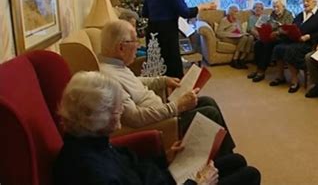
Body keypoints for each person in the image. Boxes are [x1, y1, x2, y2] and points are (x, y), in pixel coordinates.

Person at [53, 71, 261, 185]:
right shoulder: (93, 172)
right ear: (97, 117)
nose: (121, 113)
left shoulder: (90, 141)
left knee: (237, 160)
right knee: (250, 174)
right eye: (116, 110)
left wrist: (165, 158)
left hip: (161, 177)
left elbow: (132, 166)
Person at [99, 20, 235, 155]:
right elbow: (135, 118)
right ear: (121, 48)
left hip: (161, 111)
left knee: (207, 101)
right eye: (134, 41)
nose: (138, 45)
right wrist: (177, 106)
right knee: (210, 113)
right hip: (162, 124)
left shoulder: (116, 66)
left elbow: (136, 82)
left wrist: (163, 80)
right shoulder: (110, 79)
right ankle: (226, 159)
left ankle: (228, 152)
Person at [143, 0, 216, 78]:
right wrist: (202, 6)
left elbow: (145, 12)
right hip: (167, 34)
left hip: (152, 33)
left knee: (156, 72)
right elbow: (185, 12)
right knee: (173, 72)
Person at [270, 0, 318, 93]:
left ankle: (295, 80)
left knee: (290, 50)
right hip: (296, 40)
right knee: (278, 48)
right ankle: (280, 76)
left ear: (315, 2)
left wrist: (309, 36)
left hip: (309, 44)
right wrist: (285, 31)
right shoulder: (300, 15)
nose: (305, 3)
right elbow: (293, 27)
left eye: (308, 1)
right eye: (303, 1)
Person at [247, 0, 294, 82]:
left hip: (282, 38)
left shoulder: (288, 14)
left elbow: (288, 29)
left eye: (277, 7)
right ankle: (258, 69)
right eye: (274, 7)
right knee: (258, 44)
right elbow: (269, 24)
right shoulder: (273, 14)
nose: (275, 9)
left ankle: (261, 71)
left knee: (267, 45)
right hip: (272, 36)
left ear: (283, 6)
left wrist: (277, 31)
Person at [216, 4, 254, 69]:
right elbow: (219, 33)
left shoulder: (238, 21)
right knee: (244, 38)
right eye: (235, 11)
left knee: (250, 37)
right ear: (230, 12)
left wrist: (244, 33)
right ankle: (235, 59)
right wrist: (234, 35)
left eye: (237, 11)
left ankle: (242, 59)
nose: (237, 13)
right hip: (227, 38)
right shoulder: (225, 20)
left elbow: (241, 32)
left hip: (238, 37)